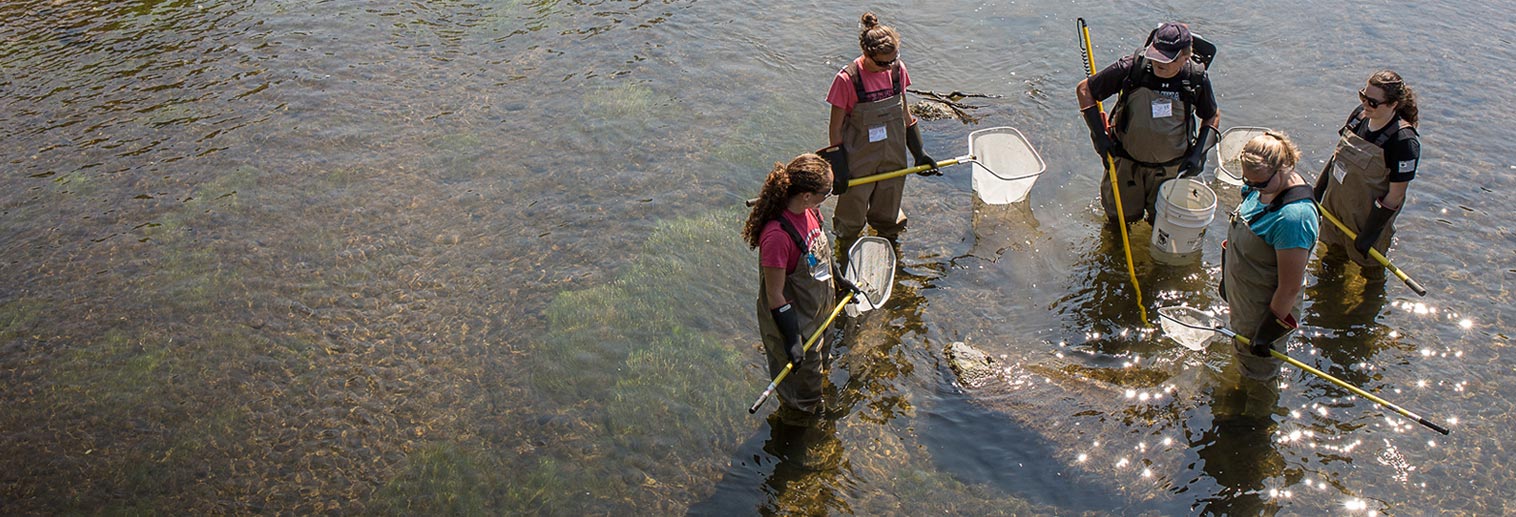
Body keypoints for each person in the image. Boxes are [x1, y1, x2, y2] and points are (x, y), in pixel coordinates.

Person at [1076, 22, 1220, 224]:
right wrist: (1099, 137)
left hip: (1170, 170)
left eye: (1166, 60)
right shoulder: (1132, 69)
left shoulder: (1195, 79)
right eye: (1155, 55)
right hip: (1126, 162)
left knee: (1161, 224)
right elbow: (1085, 90)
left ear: (1185, 56)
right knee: (1118, 222)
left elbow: (1212, 115)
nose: (1157, 63)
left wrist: (1199, 153)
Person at [1219, 132, 1319, 416]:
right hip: (1244, 294)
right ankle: (1238, 394)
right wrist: (1226, 280)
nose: (1252, 187)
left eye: (1259, 182)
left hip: (1264, 309)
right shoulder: (1259, 186)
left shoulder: (1294, 220)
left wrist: (1267, 332)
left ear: (1285, 167)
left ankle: (1256, 427)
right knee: (1242, 357)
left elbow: (1289, 287)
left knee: (1260, 373)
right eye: (1246, 180)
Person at [826, 12, 936, 247]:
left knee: (888, 213)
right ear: (866, 54)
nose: (889, 67)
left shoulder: (897, 70)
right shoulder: (847, 79)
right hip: (859, 158)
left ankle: (890, 249)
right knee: (850, 218)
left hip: (893, 154)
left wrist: (919, 153)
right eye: (883, 63)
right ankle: (845, 252)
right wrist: (839, 168)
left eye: (894, 59)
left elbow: (905, 114)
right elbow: (835, 130)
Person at [742, 153, 838, 420]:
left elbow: (823, 256)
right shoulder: (777, 237)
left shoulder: (811, 211)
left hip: (820, 313)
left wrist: (840, 279)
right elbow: (775, 295)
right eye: (826, 192)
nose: (828, 197)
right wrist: (793, 341)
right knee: (802, 400)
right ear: (806, 194)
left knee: (820, 370)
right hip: (795, 326)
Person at [1315, 70, 1422, 281]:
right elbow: (1337, 156)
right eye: (1363, 96)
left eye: (1373, 102)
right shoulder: (1359, 116)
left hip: (1366, 222)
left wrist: (1369, 234)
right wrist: (1315, 194)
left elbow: (1396, 196)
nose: (1365, 105)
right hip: (1334, 211)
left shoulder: (1403, 142)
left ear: (1393, 104)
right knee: (1330, 260)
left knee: (1369, 275)